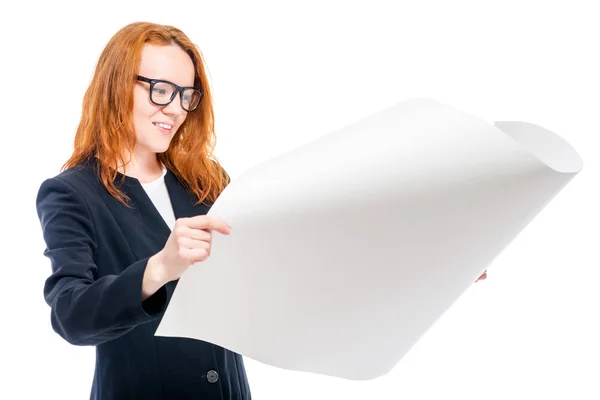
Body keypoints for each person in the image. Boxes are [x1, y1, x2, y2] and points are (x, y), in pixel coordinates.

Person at [35, 22, 251, 399]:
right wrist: (160, 268)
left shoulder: (207, 178)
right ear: (117, 85)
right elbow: (71, 315)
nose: (176, 109)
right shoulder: (71, 193)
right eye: (161, 90)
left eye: (186, 95)